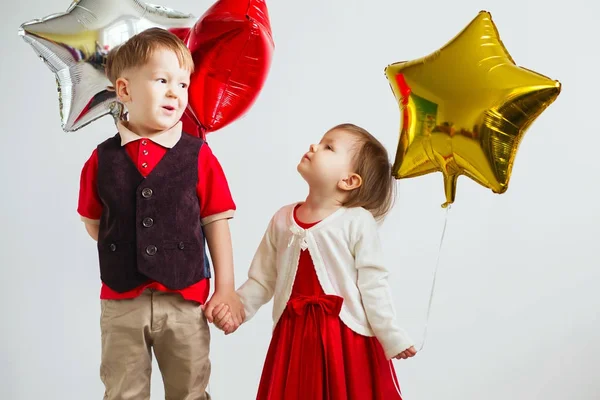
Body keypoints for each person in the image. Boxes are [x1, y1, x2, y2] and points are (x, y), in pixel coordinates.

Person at [77, 27, 244, 400]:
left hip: (184, 300)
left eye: (183, 84)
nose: (175, 92)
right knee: (123, 390)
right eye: (162, 80)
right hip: (121, 301)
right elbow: (95, 223)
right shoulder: (102, 159)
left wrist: (226, 287)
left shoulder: (198, 155)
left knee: (189, 389)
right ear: (124, 91)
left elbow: (216, 223)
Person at [210, 123, 417, 399]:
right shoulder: (282, 219)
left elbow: (374, 284)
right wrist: (238, 309)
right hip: (294, 339)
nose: (314, 146)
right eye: (321, 142)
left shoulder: (356, 222)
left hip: (344, 340)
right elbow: (263, 278)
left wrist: (390, 334)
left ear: (349, 181)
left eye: (328, 147)